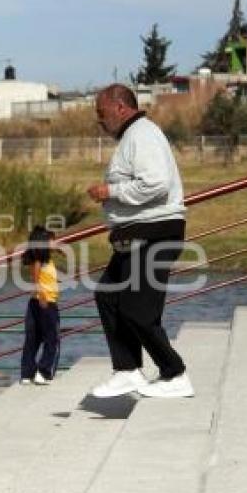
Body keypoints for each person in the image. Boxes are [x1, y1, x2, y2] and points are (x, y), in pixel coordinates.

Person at [86, 83, 193, 398]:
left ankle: (175, 374)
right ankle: (128, 370)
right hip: (136, 233)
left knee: (137, 310)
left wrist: (110, 192)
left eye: (101, 113)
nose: (99, 121)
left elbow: (157, 184)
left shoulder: (142, 134)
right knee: (108, 295)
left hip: (153, 232)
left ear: (120, 107)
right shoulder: (132, 137)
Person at [20, 226, 61, 386]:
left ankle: (27, 374)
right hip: (46, 302)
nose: (55, 242)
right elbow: (37, 280)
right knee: (52, 338)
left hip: (37, 303)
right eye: (52, 240)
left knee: (34, 338)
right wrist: (42, 296)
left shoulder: (44, 259)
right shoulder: (39, 261)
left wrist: (58, 250)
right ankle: (43, 372)